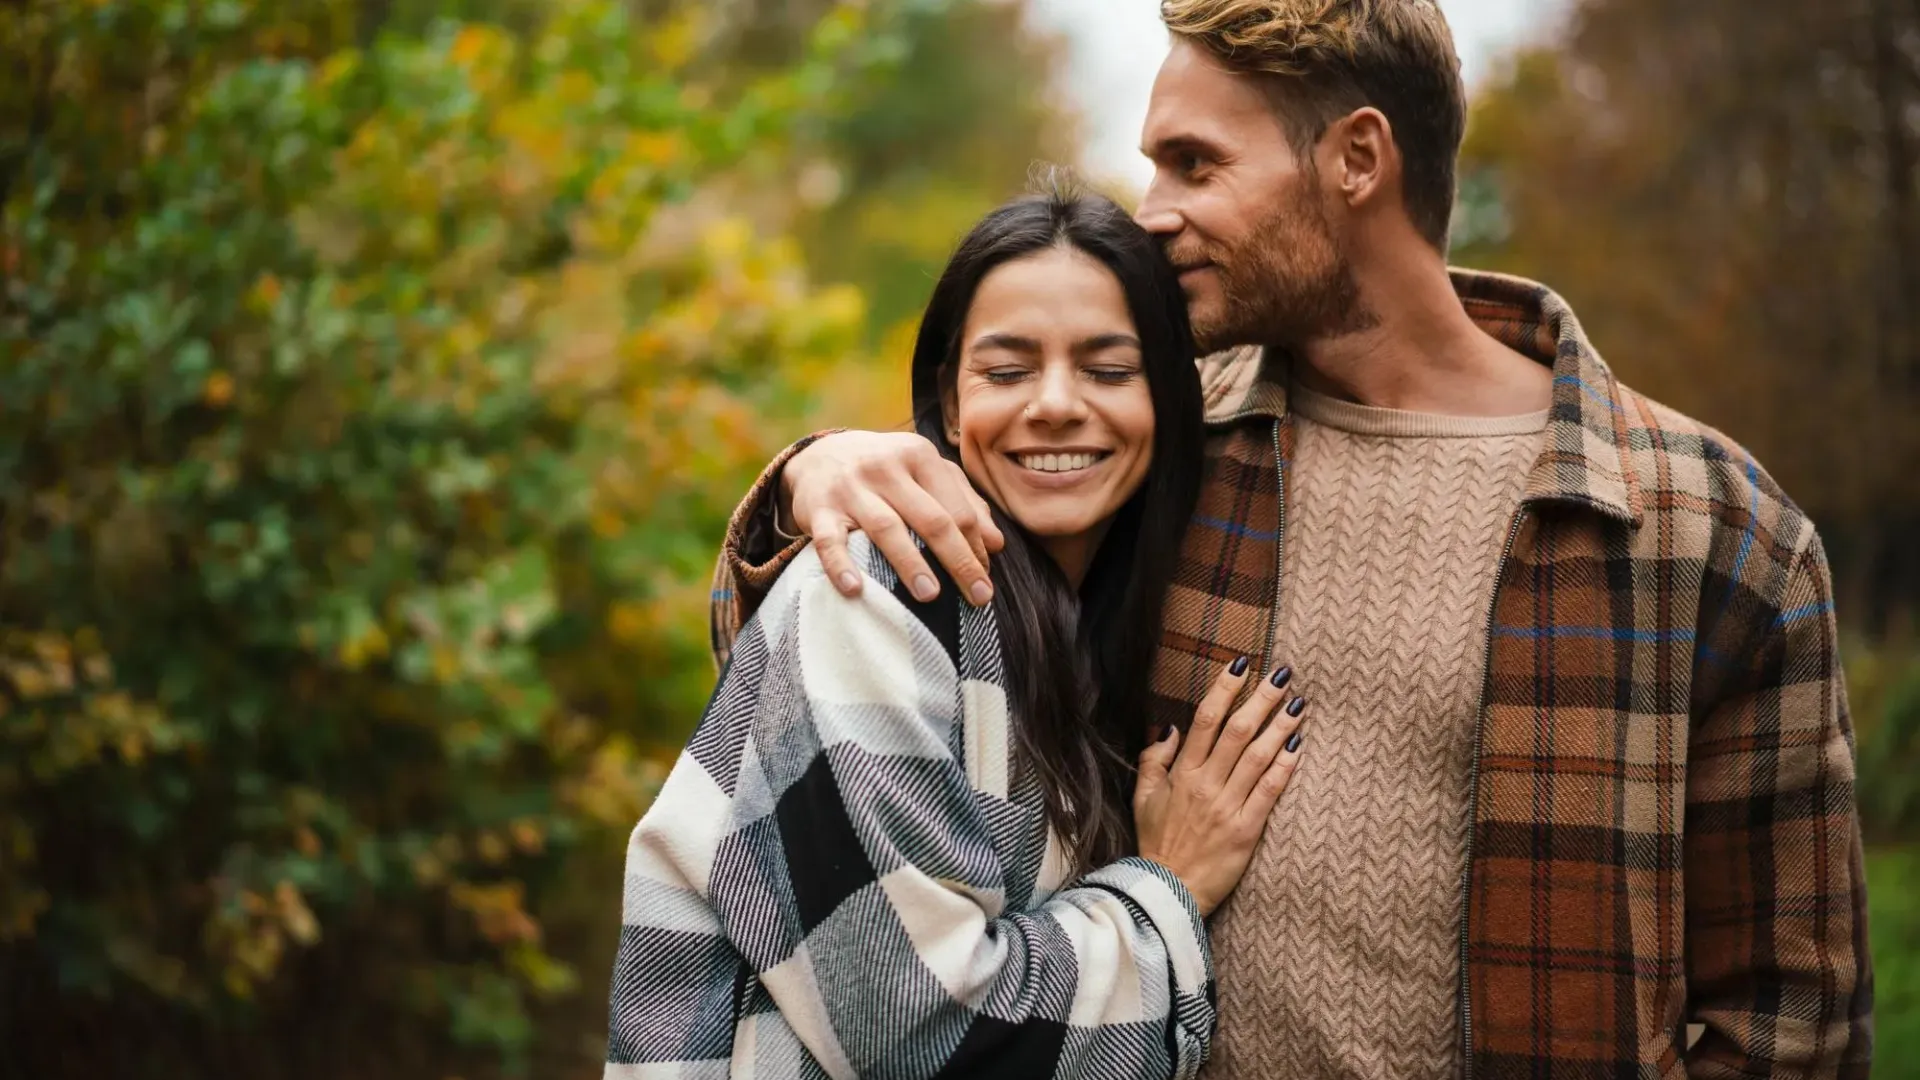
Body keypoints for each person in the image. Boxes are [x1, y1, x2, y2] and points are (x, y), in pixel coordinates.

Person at [705, 2, 1875, 1078]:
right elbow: (841, 668)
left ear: (1356, 159)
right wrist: (813, 473)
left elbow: (1793, 1019)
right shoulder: (1164, 444)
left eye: (1195, 164)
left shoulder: (1712, 529)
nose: (1150, 207)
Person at [607, 180, 1314, 1079]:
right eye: (1007, 370)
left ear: (1171, 401)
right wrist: (1167, 889)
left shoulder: (1087, 633)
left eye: (1108, 368)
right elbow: (925, 1035)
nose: (1056, 403)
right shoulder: (877, 590)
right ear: (948, 391)